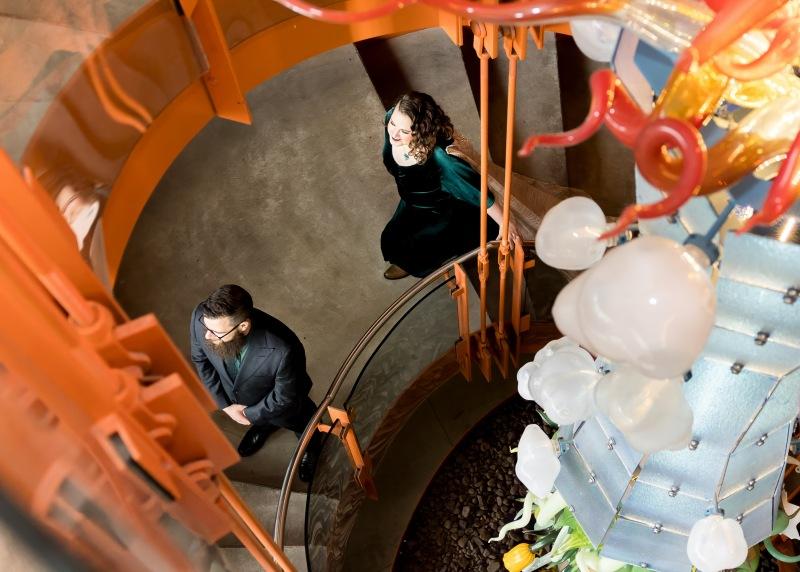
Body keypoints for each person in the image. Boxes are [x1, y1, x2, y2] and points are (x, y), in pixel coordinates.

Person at [381, 91, 519, 279]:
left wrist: (505, 222)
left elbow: (477, 191)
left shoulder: (440, 161)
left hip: (436, 212)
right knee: (397, 235)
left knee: (423, 245)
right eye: (393, 124)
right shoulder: (393, 118)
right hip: (411, 202)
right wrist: (396, 127)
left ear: (420, 131)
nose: (394, 133)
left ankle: (416, 263)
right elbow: (394, 135)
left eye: (404, 131)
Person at [190, 284, 320, 481]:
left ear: (243, 326)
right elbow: (201, 360)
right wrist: (225, 406)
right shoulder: (203, 318)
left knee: (302, 422)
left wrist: (248, 415)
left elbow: (284, 397)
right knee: (264, 418)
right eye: (206, 328)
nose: (207, 335)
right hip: (246, 400)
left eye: (215, 333)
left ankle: (312, 444)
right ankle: (264, 425)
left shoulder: (284, 348)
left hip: (286, 405)